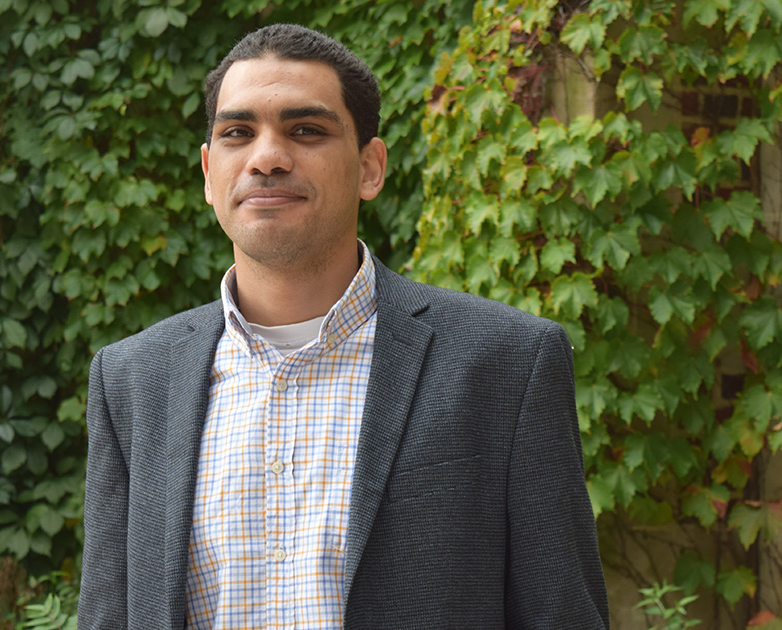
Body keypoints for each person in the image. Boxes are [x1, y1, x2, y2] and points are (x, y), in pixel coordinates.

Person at [79, 23, 609, 629]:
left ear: (370, 167)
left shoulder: (507, 363)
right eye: (237, 133)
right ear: (207, 172)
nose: (267, 158)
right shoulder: (131, 380)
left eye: (306, 130)